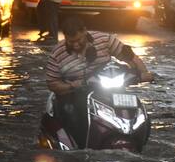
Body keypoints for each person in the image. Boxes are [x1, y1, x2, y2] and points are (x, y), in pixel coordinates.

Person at [45, 17, 153, 147]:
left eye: (79, 40)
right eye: (71, 41)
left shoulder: (105, 39)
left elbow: (130, 57)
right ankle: (82, 147)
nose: (76, 45)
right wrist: (74, 85)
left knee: (136, 109)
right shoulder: (57, 53)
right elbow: (52, 83)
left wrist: (143, 74)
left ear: (85, 31)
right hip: (76, 93)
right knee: (75, 115)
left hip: (108, 88)